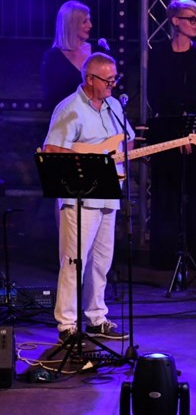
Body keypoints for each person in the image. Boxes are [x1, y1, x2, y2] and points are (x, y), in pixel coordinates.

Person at [42, 52, 134, 342]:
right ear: (90, 79)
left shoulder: (114, 106)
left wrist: (122, 152)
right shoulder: (69, 108)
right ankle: (67, 325)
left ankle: (96, 318)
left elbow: (128, 140)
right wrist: (93, 158)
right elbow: (52, 150)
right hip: (79, 195)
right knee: (74, 260)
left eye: (114, 79)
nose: (112, 85)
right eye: (108, 80)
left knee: (101, 260)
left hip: (109, 192)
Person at [146, 0, 196, 271]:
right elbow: (155, 95)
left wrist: (188, 132)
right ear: (175, 21)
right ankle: (165, 256)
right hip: (167, 131)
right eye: (191, 19)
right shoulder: (159, 53)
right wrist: (177, 133)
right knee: (166, 193)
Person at [41, 0, 94, 111]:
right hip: (68, 116)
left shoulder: (96, 51)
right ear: (71, 24)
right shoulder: (53, 58)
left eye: (89, 20)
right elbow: (52, 98)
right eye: (84, 22)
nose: (90, 25)